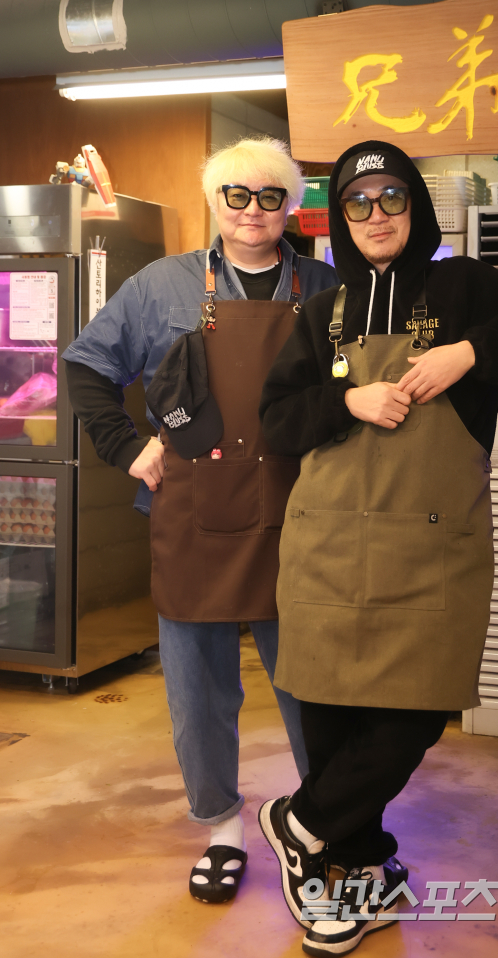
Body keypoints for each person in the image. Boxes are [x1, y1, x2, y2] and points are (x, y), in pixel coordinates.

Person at [258, 139, 498, 955]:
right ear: (340, 219)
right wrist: (348, 400)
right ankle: (359, 875)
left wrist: (469, 352)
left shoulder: (464, 288)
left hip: (432, 555)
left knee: (414, 715)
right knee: (332, 726)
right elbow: (277, 422)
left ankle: (299, 821)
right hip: (328, 552)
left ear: (417, 207)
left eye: (392, 198)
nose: (376, 216)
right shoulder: (319, 313)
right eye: (358, 203)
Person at [63, 136, 338, 905]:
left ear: (291, 206)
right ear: (214, 201)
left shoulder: (326, 285)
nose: (252, 211)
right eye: (236, 195)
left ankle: (323, 823)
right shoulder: (161, 285)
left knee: (313, 685)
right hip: (192, 514)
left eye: (270, 196)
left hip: (301, 512)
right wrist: (126, 448)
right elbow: (86, 364)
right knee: (200, 691)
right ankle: (221, 827)